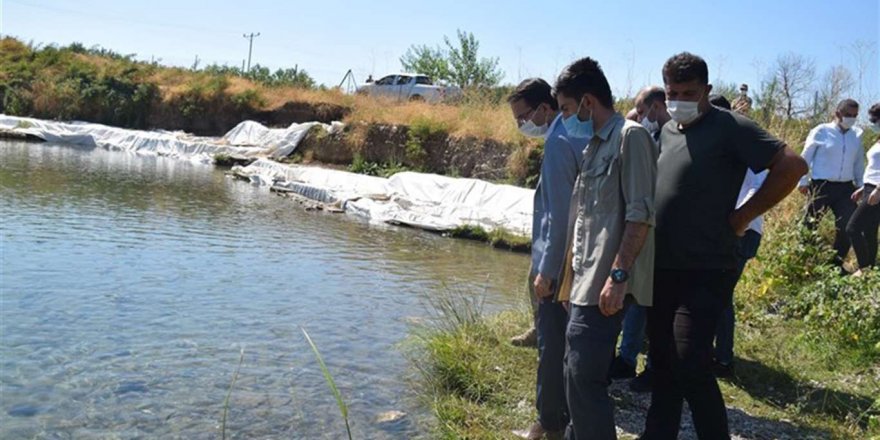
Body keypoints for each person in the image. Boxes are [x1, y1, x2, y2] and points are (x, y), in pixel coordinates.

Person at [643, 52, 807, 439]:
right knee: (662, 360)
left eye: (688, 92)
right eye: (672, 92)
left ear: (707, 90)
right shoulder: (667, 131)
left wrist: (742, 216)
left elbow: (793, 165)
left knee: (691, 362)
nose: (679, 100)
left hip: (707, 267)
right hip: (662, 266)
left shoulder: (731, 127)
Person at [555, 57, 658, 440]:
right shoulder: (594, 146)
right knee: (573, 374)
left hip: (606, 284)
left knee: (584, 379)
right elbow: (586, 223)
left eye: (566, 109)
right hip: (585, 284)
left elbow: (639, 215)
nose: (565, 117)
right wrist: (570, 282)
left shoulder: (631, 137)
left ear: (586, 102)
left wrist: (617, 277)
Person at [508, 78, 584, 440]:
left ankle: (551, 424)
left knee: (551, 349)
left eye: (523, 116)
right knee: (564, 348)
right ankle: (553, 419)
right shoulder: (576, 135)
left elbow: (558, 214)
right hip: (575, 260)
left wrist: (546, 272)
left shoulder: (558, 141)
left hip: (558, 263)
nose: (521, 124)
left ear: (545, 109)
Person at [608, 85, 669, 392]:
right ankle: (626, 358)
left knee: (654, 308)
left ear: (657, 107)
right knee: (636, 302)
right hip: (648, 229)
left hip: (665, 234)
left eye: (643, 112)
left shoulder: (674, 138)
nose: (641, 118)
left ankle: (654, 368)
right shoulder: (652, 136)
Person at [708, 94, 767, 378]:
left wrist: (738, 222)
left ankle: (723, 359)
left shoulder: (741, 140)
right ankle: (714, 352)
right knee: (715, 292)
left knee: (720, 295)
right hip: (732, 230)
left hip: (741, 232)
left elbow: (758, 186)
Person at [798, 99, 865, 269]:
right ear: (837, 113)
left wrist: (861, 185)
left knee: (847, 226)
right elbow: (806, 157)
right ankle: (805, 260)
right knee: (810, 223)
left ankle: (835, 264)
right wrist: (803, 180)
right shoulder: (821, 131)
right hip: (821, 185)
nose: (851, 118)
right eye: (848, 115)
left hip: (845, 189)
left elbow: (858, 162)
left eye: (855, 116)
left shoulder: (856, 135)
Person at [846, 103, 880, 273]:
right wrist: (863, 188)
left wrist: (878, 190)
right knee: (869, 231)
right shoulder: (878, 139)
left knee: (852, 228)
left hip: (877, 190)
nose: (872, 122)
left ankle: (863, 268)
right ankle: (871, 269)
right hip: (870, 187)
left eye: (875, 119)